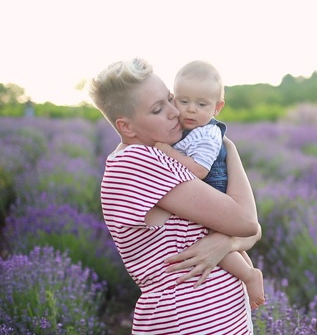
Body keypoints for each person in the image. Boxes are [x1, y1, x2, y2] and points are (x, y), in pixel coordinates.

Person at [89, 58, 260, 334]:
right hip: (189, 321)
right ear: (127, 127)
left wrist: (223, 243)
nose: (174, 112)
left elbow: (252, 232)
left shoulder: (160, 155)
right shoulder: (138, 162)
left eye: (170, 99)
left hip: (213, 318)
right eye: (158, 109)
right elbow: (247, 223)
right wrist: (227, 146)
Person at [155, 60, 265, 310]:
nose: (191, 110)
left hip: (213, 187)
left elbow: (199, 170)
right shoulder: (186, 127)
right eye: (183, 102)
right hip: (207, 187)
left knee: (207, 235)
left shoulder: (207, 134)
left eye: (201, 104)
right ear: (173, 99)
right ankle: (248, 271)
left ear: (217, 108)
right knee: (224, 240)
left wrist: (166, 152)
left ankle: (249, 276)